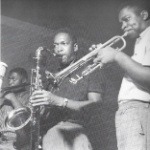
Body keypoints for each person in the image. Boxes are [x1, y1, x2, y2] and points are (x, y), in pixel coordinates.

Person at [30, 28, 106, 150]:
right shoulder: (53, 77)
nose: (58, 49)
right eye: (55, 45)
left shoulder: (91, 69)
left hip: (75, 135)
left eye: (63, 44)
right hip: (50, 136)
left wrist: (60, 101)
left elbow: (95, 105)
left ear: (75, 47)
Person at [92, 0, 150, 150]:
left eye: (126, 19)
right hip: (129, 111)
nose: (123, 26)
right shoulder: (140, 41)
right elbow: (134, 77)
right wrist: (107, 58)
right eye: (121, 22)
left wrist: (117, 56)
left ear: (144, 15)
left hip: (138, 109)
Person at [0, 67, 30, 150]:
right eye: (9, 79)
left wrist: (13, 99)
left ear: (23, 81)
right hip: (2, 140)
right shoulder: (5, 100)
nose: (10, 82)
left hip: (18, 143)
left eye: (13, 79)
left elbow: (26, 120)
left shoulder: (29, 96)